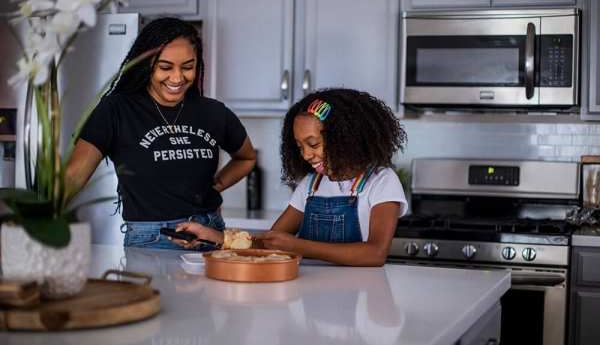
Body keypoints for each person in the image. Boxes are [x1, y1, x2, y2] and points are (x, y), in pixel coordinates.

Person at [65, 17, 256, 250]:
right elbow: (73, 176)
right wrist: (32, 221)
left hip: (210, 234)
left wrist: (214, 186)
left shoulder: (213, 112)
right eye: (165, 67)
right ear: (148, 64)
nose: (177, 78)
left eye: (187, 67)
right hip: (153, 239)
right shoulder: (116, 110)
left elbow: (247, 157)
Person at [175, 88, 407, 266]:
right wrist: (214, 237)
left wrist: (298, 246)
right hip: (309, 295)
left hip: (360, 296)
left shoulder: (381, 181)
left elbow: (375, 253)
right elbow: (271, 242)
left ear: (345, 139)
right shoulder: (311, 185)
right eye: (299, 146)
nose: (306, 154)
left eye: (313, 143)